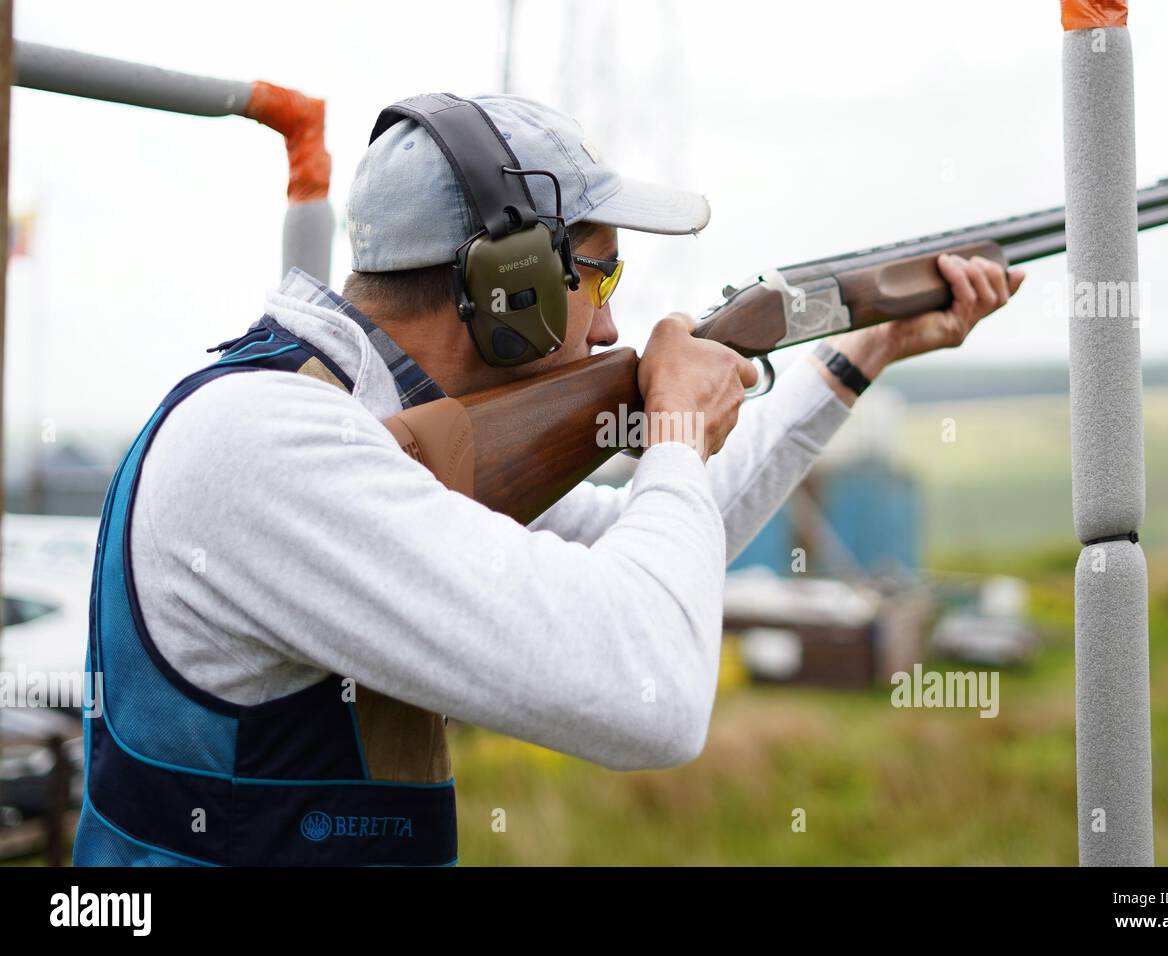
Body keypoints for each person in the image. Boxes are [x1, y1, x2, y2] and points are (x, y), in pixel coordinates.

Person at [73, 93, 1024, 866]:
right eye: (600, 278)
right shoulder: (271, 446)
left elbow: (652, 552)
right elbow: (649, 691)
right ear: (509, 286)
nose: (611, 327)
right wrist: (678, 432)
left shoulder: (367, 434)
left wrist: (859, 356)